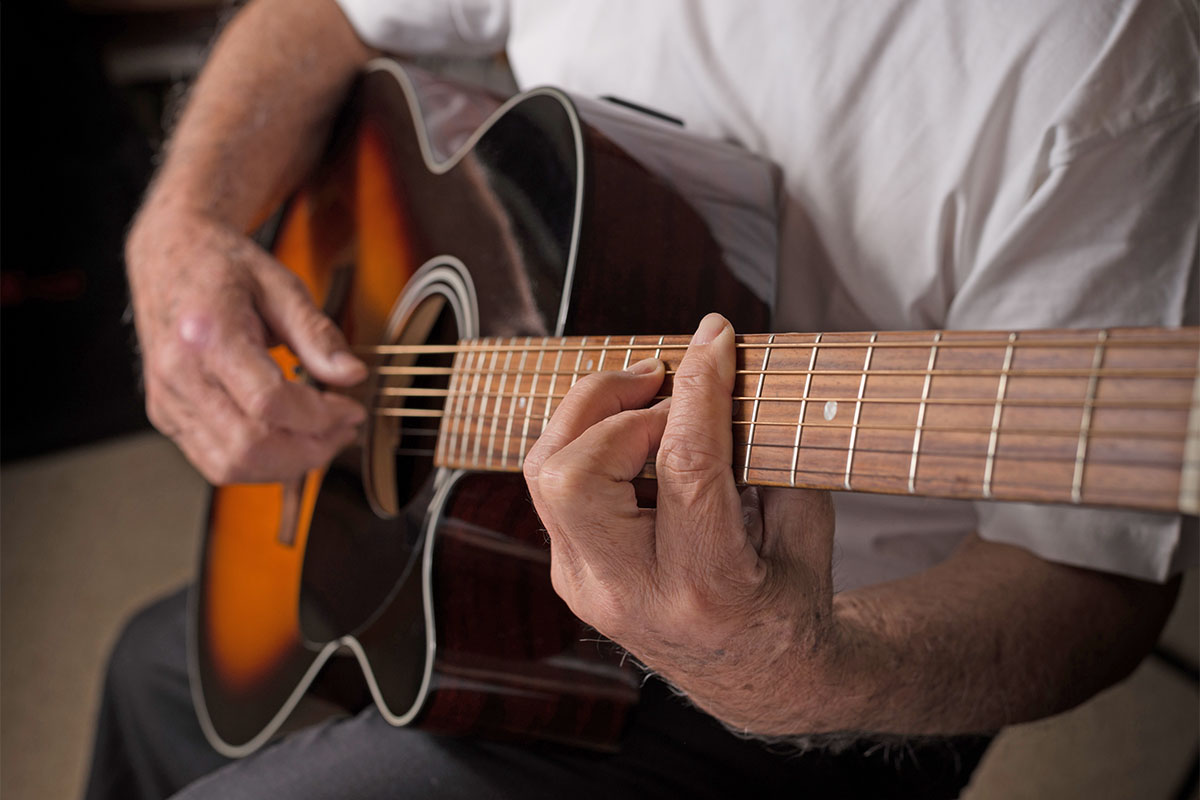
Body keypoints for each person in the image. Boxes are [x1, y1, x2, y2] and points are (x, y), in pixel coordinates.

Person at [87, 0, 1198, 798]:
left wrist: (792, 665)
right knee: (152, 670)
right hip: (486, 545)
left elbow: (1091, 579)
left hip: (830, 655)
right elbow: (323, 14)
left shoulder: (1110, 55)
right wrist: (181, 222)